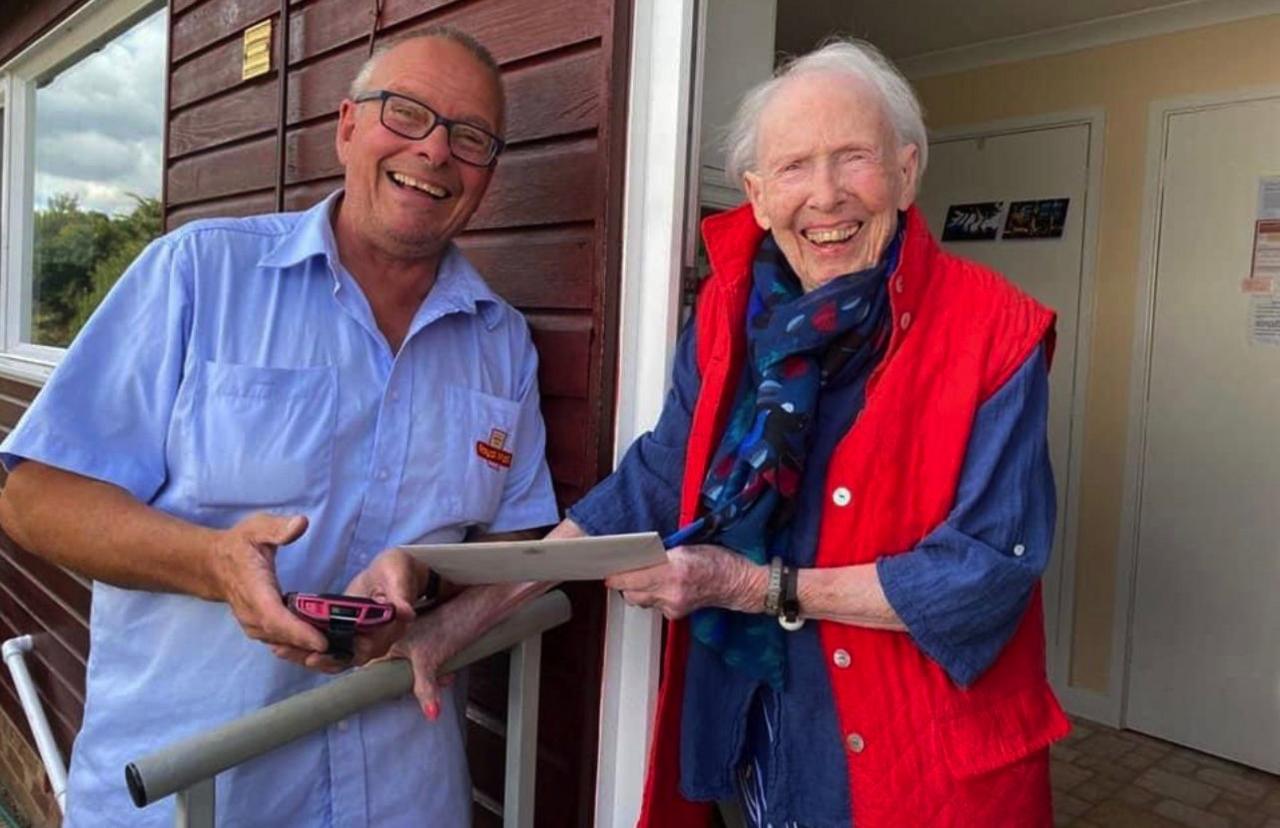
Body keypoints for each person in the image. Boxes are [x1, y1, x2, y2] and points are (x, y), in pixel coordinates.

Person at [0, 28, 560, 827]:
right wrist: (214, 563)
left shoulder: (501, 341)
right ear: (346, 128)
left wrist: (425, 578)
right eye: (405, 114)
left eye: (469, 137)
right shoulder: (198, 273)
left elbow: (517, 541)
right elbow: (36, 498)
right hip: (192, 787)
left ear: (487, 174)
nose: (435, 150)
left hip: (401, 793)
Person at [535, 37, 1067, 827]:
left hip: (913, 767)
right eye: (793, 167)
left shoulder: (996, 330)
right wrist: (483, 597)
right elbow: (661, 470)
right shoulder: (728, 312)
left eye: (854, 157)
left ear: (905, 171)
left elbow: (983, 575)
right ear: (755, 194)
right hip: (757, 733)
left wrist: (753, 586)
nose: (826, 195)